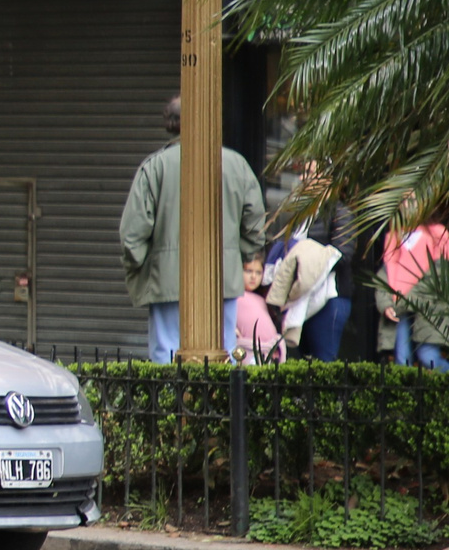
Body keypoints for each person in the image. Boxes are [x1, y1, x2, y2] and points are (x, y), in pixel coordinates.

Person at [117, 95, 267, 362]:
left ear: (171, 123)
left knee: (167, 354)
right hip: (222, 278)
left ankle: (171, 405)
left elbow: (132, 235)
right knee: (224, 350)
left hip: (167, 278)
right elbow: (255, 224)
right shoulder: (237, 165)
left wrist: (141, 266)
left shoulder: (155, 167)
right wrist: (236, 257)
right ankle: (220, 404)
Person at [264, 185, 355, 361]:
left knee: (324, 359)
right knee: (305, 360)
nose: (304, 180)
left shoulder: (340, 213)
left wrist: (308, 260)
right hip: (300, 296)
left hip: (329, 296)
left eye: (313, 173)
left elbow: (344, 254)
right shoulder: (302, 215)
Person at [378, 215, 449, 372]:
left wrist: (407, 300)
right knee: (402, 360)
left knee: (428, 357)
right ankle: (407, 396)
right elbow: (383, 276)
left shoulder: (438, 233)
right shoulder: (393, 237)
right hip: (400, 308)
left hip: (429, 307)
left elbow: (439, 273)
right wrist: (385, 304)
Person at [233, 256, 283, 363]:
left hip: (270, 352)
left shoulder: (262, 299)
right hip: (247, 352)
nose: (253, 277)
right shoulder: (233, 298)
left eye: (258, 273)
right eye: (248, 271)